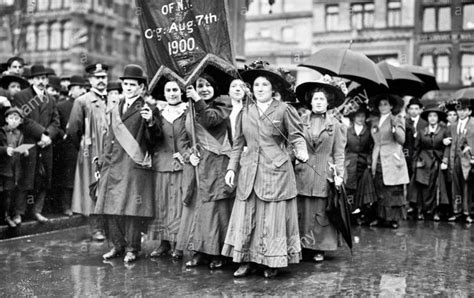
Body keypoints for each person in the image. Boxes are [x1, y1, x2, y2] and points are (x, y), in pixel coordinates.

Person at [222, 61, 309, 278]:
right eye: (257, 85)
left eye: (265, 85)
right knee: (247, 216)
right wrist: (231, 168)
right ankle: (245, 260)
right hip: (249, 171)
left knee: (271, 219)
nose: (260, 89)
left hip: (276, 173)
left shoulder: (284, 109)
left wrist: (296, 152)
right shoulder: (245, 111)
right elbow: (237, 144)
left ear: (273, 89)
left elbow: (296, 136)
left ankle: (272, 262)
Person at [96, 64, 158, 263]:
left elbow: (155, 140)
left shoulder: (148, 108)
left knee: (131, 210)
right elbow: (109, 138)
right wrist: (102, 162)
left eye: (133, 84)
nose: (128, 87)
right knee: (111, 208)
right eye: (126, 84)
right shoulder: (116, 107)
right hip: (112, 165)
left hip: (132, 165)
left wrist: (150, 123)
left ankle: (133, 248)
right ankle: (117, 245)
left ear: (141, 87)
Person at [177, 72, 235, 270]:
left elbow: (211, 120)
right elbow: (182, 139)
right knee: (199, 212)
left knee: (218, 210)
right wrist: (188, 155)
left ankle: (218, 253)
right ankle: (200, 252)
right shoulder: (189, 110)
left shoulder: (223, 104)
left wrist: (197, 99)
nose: (203, 89)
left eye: (207, 85)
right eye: (199, 85)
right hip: (197, 166)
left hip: (217, 165)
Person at [293, 77, 346, 263]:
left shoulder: (336, 125)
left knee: (320, 212)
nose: (318, 102)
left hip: (324, 173)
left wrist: (339, 175)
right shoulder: (300, 122)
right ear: (310, 101)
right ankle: (301, 246)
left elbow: (339, 153)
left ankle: (319, 248)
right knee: (303, 210)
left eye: (322, 99)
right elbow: (293, 144)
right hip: (303, 172)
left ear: (328, 102)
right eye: (315, 99)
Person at [148, 80, 191, 259]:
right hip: (162, 163)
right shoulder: (158, 113)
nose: (172, 93)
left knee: (179, 205)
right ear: (163, 93)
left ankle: (179, 245)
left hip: (181, 165)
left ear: (180, 92)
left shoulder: (188, 111)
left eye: (175, 90)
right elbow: (152, 138)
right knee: (163, 203)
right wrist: (150, 123)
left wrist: (186, 154)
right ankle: (164, 243)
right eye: (168, 90)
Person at [12, 64, 60, 224]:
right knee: (25, 178)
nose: (41, 81)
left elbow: (56, 121)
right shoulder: (21, 96)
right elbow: (22, 120)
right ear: (31, 80)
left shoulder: (51, 99)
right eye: (38, 78)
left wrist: (49, 137)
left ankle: (37, 211)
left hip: (46, 145)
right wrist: (42, 133)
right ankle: (18, 212)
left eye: (44, 78)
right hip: (28, 143)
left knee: (43, 178)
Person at [67, 63, 109, 241]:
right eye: (97, 78)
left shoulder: (114, 99)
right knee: (92, 189)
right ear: (90, 80)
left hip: (112, 152)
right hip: (91, 152)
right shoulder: (82, 101)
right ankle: (96, 228)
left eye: (103, 77)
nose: (101, 81)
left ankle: (111, 228)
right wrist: (85, 148)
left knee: (109, 188)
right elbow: (73, 130)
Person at [369, 94, 409, 229]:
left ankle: (393, 219)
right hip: (378, 157)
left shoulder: (397, 119)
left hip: (392, 157)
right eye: (380, 104)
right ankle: (380, 217)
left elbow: (402, 140)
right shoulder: (375, 120)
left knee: (392, 189)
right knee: (379, 188)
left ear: (391, 106)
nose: (382, 107)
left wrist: (394, 128)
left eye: (385, 104)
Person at [409, 105, 450, 221]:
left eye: (434, 116)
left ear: (438, 118)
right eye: (430, 116)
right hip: (423, 162)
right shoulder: (422, 132)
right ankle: (420, 210)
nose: (432, 118)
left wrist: (445, 161)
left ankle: (435, 211)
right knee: (421, 186)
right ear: (427, 118)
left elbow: (447, 147)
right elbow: (416, 149)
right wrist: (415, 163)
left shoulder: (443, 131)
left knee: (436, 186)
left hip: (437, 161)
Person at [54, 75, 87, 216]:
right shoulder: (62, 106)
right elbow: (57, 124)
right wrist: (64, 134)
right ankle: (66, 206)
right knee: (68, 177)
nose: (82, 91)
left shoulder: (87, 104)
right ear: (72, 90)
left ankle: (80, 205)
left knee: (82, 175)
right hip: (68, 146)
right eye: (79, 88)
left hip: (84, 143)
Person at [344, 104, 375, 224]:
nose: (360, 118)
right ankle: (349, 215)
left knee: (362, 190)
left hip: (364, 162)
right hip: (350, 164)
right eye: (358, 116)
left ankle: (361, 215)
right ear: (353, 118)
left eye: (362, 116)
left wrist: (369, 160)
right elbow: (343, 148)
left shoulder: (369, 130)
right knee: (349, 189)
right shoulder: (347, 131)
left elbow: (372, 147)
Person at [0, 107, 29, 227]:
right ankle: (5, 216)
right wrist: (5, 149)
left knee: (10, 192)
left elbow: (21, 146)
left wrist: (25, 151)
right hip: (3, 168)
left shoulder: (19, 134)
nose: (13, 121)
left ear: (20, 121)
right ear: (6, 119)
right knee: (4, 193)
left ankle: (10, 215)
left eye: (16, 119)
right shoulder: (1, 132)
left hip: (14, 168)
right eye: (11, 118)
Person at [448, 99, 474, 223]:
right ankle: (457, 211)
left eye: (464, 110)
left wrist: (471, 148)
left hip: (468, 160)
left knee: (467, 187)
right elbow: (453, 143)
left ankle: (467, 212)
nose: (461, 112)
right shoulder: (453, 125)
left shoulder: (473, 123)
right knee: (456, 187)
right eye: (459, 110)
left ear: (469, 111)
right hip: (455, 159)